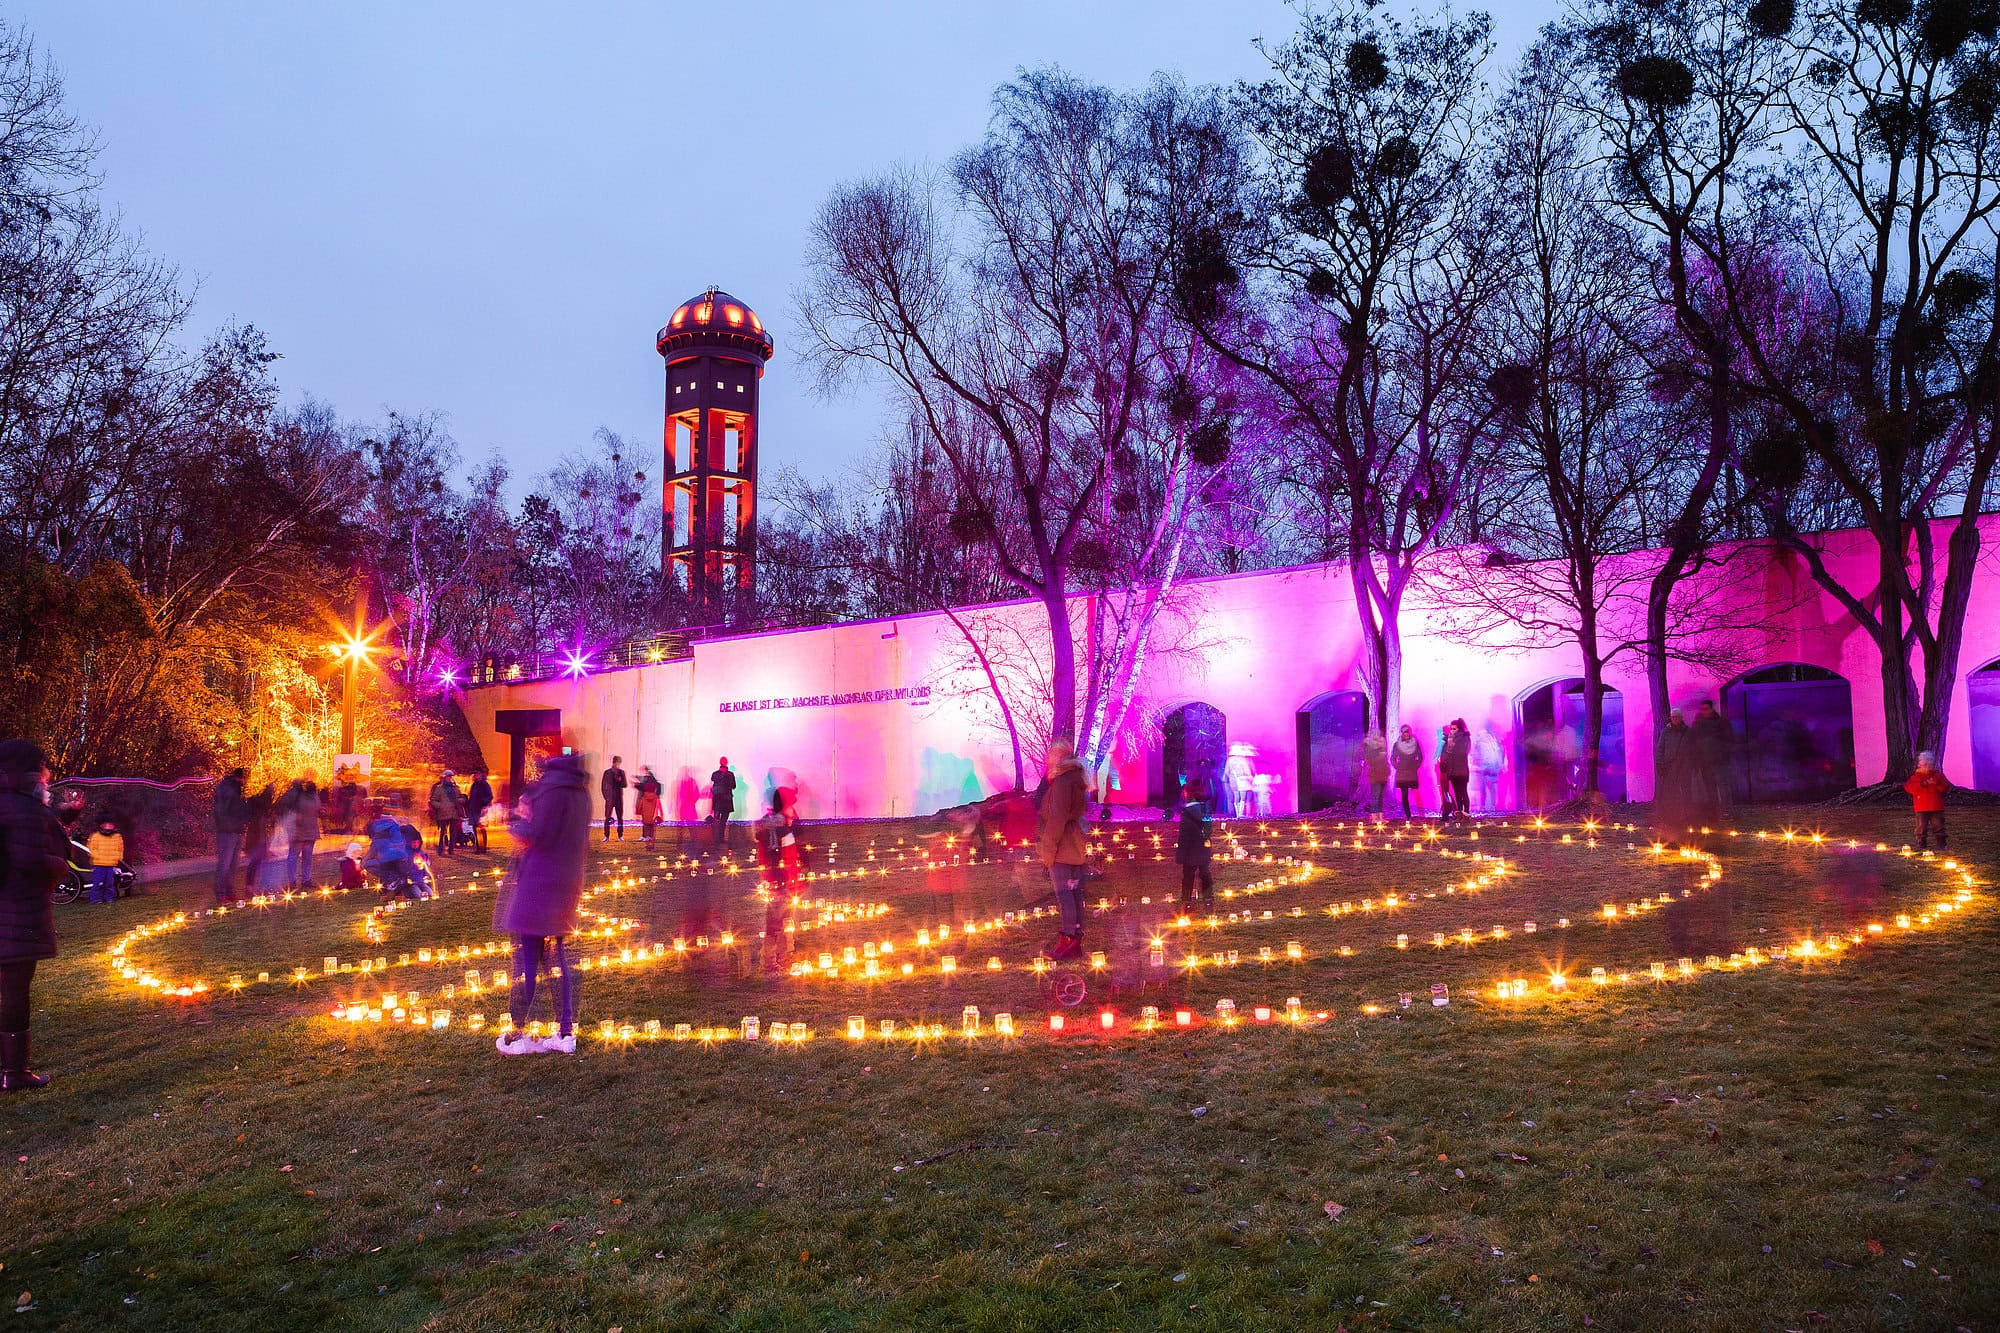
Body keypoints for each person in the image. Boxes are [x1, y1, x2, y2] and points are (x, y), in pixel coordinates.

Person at [494, 751, 591, 1055]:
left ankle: (517, 1034)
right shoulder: (581, 793)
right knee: (557, 960)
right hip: (567, 883)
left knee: (526, 961)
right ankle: (564, 1033)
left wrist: (515, 823)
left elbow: (537, 834)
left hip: (538, 884)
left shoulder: (550, 791)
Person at [0, 740, 68, 1090]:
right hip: (16, 915)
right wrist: (60, 865)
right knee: (14, 990)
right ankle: (14, 1072)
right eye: (43, 772)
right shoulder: (25, 808)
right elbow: (31, 861)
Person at [1037, 739, 1091, 959]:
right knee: (1075, 894)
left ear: (1059, 757)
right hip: (1075, 846)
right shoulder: (1076, 779)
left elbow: (1057, 818)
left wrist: (1048, 850)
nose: (1048, 760)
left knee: (1065, 895)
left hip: (1062, 848)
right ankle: (1075, 939)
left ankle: (1068, 938)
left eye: (1050, 755)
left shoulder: (1062, 782)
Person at [755, 790, 802, 972]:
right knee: (781, 920)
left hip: (771, 882)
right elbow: (791, 861)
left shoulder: (764, 829)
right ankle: (774, 958)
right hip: (783, 883)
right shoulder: (785, 832)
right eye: (790, 806)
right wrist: (794, 883)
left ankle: (777, 955)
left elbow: (761, 859)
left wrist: (765, 880)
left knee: (774, 920)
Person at [1653, 710, 1699, 827]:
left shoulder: (1687, 732)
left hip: (1685, 766)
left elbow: (1693, 749)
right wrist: (1659, 764)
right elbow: (1660, 749)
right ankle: (1671, 815)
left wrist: (1692, 764)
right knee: (1670, 791)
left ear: (1680, 718)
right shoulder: (1666, 732)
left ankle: (1687, 815)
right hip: (1670, 766)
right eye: (1673, 717)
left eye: (1676, 717)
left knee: (1685, 790)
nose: (1674, 719)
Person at [1691, 700, 1733, 822]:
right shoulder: (1698, 725)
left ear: (1712, 709)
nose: (1704, 712)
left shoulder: (1721, 723)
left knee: (1723, 787)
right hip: (1705, 762)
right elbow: (1693, 744)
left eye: (1706, 709)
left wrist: (1723, 754)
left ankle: (1726, 811)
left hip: (1720, 761)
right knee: (1710, 788)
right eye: (1702, 709)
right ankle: (1714, 812)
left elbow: (1729, 740)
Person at [212, 767, 249, 905]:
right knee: (225, 864)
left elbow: (240, 809)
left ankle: (229, 891)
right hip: (227, 832)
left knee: (233, 864)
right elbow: (221, 810)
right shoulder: (227, 789)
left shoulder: (238, 790)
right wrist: (228, 825)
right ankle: (221, 893)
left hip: (237, 830)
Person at [1904, 752, 1951, 851]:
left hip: (1936, 806)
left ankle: (1942, 843)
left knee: (1938, 826)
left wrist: (1937, 784)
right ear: (1920, 765)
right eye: (1925, 764)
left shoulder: (1937, 776)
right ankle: (1922, 843)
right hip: (1921, 807)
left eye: (1929, 764)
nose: (1927, 767)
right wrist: (1923, 784)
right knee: (1921, 828)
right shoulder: (1916, 777)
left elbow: (1946, 787)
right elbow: (1909, 788)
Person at [1175, 790, 1213, 910]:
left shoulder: (1186, 814)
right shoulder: (1205, 811)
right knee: (1205, 874)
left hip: (1189, 852)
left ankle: (1186, 900)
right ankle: (1208, 899)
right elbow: (1208, 830)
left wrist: (1180, 854)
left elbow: (1183, 837)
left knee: (1188, 876)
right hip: (1203, 850)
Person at [284, 777, 321, 890]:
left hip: (308, 830)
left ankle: (304, 879)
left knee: (305, 856)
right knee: (295, 857)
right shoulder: (297, 795)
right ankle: (294, 880)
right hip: (300, 832)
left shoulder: (311, 795)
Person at [241, 784, 276, 900]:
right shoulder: (258, 813)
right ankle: (250, 887)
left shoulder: (262, 813)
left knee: (259, 863)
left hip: (260, 840)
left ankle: (260, 886)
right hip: (256, 841)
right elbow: (259, 830)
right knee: (255, 862)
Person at [86, 817, 123, 905]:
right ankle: (95, 899)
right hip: (99, 864)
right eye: (106, 824)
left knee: (110, 883)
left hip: (111, 864)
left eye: (110, 824)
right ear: (101, 825)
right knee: (97, 883)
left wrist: (117, 857)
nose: (108, 827)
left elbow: (120, 848)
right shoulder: (96, 835)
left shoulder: (117, 836)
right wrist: (97, 857)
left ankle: (109, 898)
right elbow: (91, 848)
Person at [1440, 719, 1472, 819]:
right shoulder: (1448, 740)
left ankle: (1466, 813)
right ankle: (1459, 813)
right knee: (1457, 793)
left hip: (1461, 770)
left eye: (1454, 729)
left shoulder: (1464, 738)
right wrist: (1444, 762)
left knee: (1463, 792)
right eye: (1451, 728)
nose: (1452, 731)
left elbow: (1463, 752)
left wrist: (1452, 747)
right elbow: (1444, 753)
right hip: (1452, 770)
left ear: (1459, 729)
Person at [428, 770, 465, 857]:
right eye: (448, 777)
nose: (449, 778)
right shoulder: (439, 788)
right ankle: (441, 849)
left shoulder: (456, 788)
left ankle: (451, 849)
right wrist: (440, 806)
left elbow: (460, 797)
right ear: (444, 778)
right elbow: (433, 800)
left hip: (454, 813)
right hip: (443, 814)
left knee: (453, 833)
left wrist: (461, 800)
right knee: (442, 833)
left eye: (450, 777)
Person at [1390, 724, 1424, 819]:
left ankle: (1421, 813)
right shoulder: (1397, 745)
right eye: (1404, 732)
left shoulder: (1415, 743)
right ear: (1402, 733)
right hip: (1402, 772)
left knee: (1416, 792)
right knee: (1404, 794)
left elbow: (1420, 757)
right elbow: (1393, 758)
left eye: (1407, 731)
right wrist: (1397, 766)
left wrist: (1415, 766)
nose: (1406, 734)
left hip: (1412, 772)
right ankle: (1408, 815)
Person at [1472, 728, 1505, 814]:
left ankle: (1488, 806)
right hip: (1487, 769)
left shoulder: (1489, 743)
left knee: (1488, 789)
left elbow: (1497, 754)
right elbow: (1498, 754)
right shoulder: (1490, 743)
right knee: (1487, 789)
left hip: (1488, 769)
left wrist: (1499, 765)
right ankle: (1487, 806)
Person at [710, 758, 738, 849]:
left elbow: (712, 786)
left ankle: (716, 838)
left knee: (717, 820)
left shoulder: (715, 774)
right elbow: (734, 786)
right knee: (723, 821)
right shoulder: (730, 774)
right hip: (726, 800)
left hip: (718, 800)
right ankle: (720, 838)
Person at [600, 756, 629, 841]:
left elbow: (625, 784)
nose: (618, 765)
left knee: (620, 817)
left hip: (618, 798)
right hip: (610, 798)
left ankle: (620, 835)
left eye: (619, 763)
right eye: (617, 763)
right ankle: (606, 836)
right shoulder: (607, 772)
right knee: (607, 817)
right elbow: (603, 785)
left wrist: (620, 780)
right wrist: (606, 797)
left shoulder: (621, 772)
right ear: (614, 762)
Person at [634, 765, 663, 847]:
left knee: (646, 820)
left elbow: (641, 786)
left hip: (646, 801)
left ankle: (645, 836)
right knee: (651, 820)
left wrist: (635, 784)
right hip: (652, 801)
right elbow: (658, 786)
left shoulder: (646, 780)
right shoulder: (654, 781)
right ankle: (650, 836)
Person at [466, 771, 495, 853]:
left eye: (477, 774)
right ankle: (478, 847)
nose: (475, 776)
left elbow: (490, 796)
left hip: (481, 809)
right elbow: (471, 796)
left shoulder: (484, 784)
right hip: (473, 809)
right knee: (475, 829)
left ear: (480, 775)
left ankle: (484, 848)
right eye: (474, 775)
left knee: (482, 828)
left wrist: (482, 802)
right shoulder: (474, 785)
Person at [1362, 731, 1389, 817]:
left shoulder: (1382, 748)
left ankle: (1380, 817)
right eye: (1375, 734)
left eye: (1378, 734)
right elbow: (1371, 760)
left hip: (1383, 775)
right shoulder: (1370, 748)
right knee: (1375, 796)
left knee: (1380, 796)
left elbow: (1384, 761)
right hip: (1374, 775)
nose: (1377, 736)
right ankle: (1373, 816)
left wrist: (1387, 771)